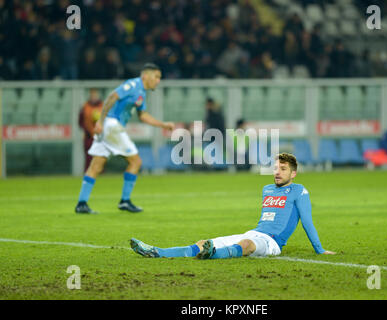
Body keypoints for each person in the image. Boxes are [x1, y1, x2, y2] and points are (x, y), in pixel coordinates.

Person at [130, 153, 336, 259]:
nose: (277, 172)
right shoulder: (267, 189)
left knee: (245, 246)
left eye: (283, 169)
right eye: (275, 168)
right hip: (253, 232)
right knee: (204, 241)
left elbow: (307, 222)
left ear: (293, 174)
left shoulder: (300, 191)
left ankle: (213, 255)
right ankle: (157, 252)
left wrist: (319, 250)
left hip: (273, 243)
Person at [75, 63, 175, 214]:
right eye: (156, 76)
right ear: (145, 75)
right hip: (111, 125)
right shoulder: (133, 85)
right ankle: (125, 201)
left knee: (96, 165)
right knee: (135, 161)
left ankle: (81, 204)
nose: (158, 81)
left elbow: (143, 116)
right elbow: (111, 97)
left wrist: (162, 125)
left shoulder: (142, 93)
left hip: (109, 126)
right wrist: (101, 121)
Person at [78, 88, 103, 172]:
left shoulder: (102, 106)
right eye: (92, 95)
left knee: (101, 157)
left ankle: (102, 174)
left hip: (101, 136)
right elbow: (80, 122)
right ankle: (87, 175)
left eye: (95, 95)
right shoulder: (85, 107)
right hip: (88, 136)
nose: (94, 97)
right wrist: (89, 130)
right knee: (89, 157)